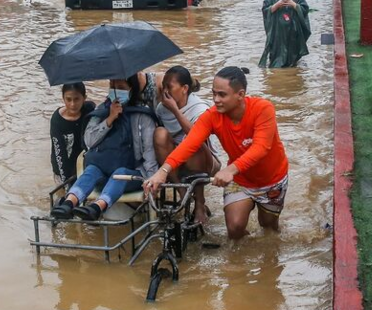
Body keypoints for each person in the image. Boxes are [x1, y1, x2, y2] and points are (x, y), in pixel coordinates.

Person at [144, 67, 289, 240]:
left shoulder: (263, 109)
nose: (216, 100)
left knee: (269, 229)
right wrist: (163, 172)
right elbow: (189, 143)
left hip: (271, 180)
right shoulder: (212, 116)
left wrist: (230, 170)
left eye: (222, 95)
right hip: (240, 180)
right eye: (214, 94)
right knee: (234, 229)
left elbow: (261, 148)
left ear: (240, 94)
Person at [49, 78, 159, 221]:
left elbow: (149, 154)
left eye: (120, 87)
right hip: (103, 169)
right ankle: (69, 202)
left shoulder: (142, 116)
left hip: (132, 173)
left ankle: (97, 207)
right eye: (112, 86)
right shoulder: (101, 111)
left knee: (119, 174)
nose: (115, 90)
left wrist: (151, 181)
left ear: (131, 89)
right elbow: (89, 141)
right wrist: (110, 119)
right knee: (91, 170)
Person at [154, 66, 221, 225]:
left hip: (203, 160)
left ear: (184, 89)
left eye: (169, 87)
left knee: (191, 144)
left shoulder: (200, 108)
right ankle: (183, 193)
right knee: (160, 133)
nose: (165, 91)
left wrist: (176, 111)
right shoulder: (161, 109)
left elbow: (196, 137)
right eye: (164, 87)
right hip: (174, 162)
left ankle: (199, 204)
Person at [259, 0, 311, 68]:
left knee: (292, 55)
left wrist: (294, 5)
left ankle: (292, 66)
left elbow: (305, 10)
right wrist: (276, 6)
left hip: (293, 31)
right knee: (276, 56)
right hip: (277, 33)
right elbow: (265, 11)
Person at [50, 83, 97, 189]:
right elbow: (59, 154)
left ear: (84, 98)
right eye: (68, 99)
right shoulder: (57, 121)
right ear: (63, 98)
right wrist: (66, 183)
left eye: (76, 99)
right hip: (63, 169)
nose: (72, 104)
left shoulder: (89, 109)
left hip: (84, 164)